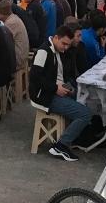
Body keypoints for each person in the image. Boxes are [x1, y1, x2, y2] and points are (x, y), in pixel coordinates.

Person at [28, 25, 92, 162]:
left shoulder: (57, 50)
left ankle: (76, 137)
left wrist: (64, 87)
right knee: (85, 113)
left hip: (53, 90)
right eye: (64, 44)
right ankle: (62, 145)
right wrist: (55, 88)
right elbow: (34, 77)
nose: (65, 48)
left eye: (68, 45)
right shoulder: (44, 52)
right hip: (44, 96)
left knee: (86, 99)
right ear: (56, 37)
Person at [0, 0, 30, 71]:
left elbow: (2, 42)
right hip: (21, 55)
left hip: (18, 59)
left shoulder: (11, 23)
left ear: (0, 13)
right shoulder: (14, 18)